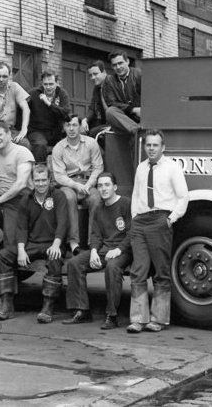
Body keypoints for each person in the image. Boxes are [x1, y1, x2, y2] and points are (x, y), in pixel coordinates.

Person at [126, 129, 188, 333]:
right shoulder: (141, 168)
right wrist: (135, 217)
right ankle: (138, 319)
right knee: (138, 270)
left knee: (161, 272)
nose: (151, 149)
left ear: (163, 147)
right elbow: (136, 195)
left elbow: (183, 197)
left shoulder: (172, 168)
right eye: (148, 145)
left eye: (155, 145)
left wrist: (170, 219)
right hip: (140, 222)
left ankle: (159, 319)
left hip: (160, 220)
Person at [0, 164, 68, 323]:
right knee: (2, 257)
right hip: (32, 243)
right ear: (32, 182)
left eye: (44, 180)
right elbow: (22, 227)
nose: (41, 184)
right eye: (37, 180)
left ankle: (48, 306)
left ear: (49, 180)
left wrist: (56, 244)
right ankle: (6, 303)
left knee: (55, 259)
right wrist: (20, 250)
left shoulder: (58, 196)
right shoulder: (26, 199)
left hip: (52, 243)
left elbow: (63, 223)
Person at [62, 171, 132, 329]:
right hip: (103, 250)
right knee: (74, 263)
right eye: (100, 186)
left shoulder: (126, 204)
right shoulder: (99, 208)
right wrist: (93, 251)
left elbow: (132, 233)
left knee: (113, 268)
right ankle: (82, 311)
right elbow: (96, 235)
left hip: (123, 250)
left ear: (114, 187)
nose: (103, 189)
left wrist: (119, 250)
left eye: (107, 185)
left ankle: (112, 315)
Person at [51, 114, 103, 255]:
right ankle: (73, 242)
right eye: (68, 125)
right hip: (68, 183)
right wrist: (76, 185)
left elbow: (98, 167)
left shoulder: (91, 143)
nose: (71, 128)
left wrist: (88, 184)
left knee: (96, 198)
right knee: (68, 198)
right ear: (64, 127)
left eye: (74, 125)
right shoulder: (58, 148)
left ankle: (92, 242)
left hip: (88, 182)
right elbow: (59, 176)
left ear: (80, 126)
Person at [26, 70, 71, 162]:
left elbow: (65, 113)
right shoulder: (33, 93)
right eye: (45, 84)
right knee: (40, 145)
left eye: (51, 84)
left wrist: (49, 104)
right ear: (42, 83)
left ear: (57, 83)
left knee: (70, 143)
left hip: (55, 133)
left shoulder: (62, 94)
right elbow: (21, 107)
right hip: (36, 131)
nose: (48, 87)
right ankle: (40, 171)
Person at [103, 51, 141, 136]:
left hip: (142, 114)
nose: (118, 67)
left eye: (120, 63)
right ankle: (138, 131)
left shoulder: (139, 74)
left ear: (127, 61)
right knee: (110, 111)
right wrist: (133, 109)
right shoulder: (109, 80)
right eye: (114, 65)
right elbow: (112, 103)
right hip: (124, 118)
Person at [80, 61, 110, 139]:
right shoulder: (97, 87)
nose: (92, 78)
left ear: (104, 72)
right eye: (90, 75)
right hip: (104, 121)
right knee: (81, 129)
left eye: (95, 74)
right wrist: (85, 120)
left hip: (115, 122)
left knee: (93, 133)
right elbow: (92, 107)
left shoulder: (112, 83)